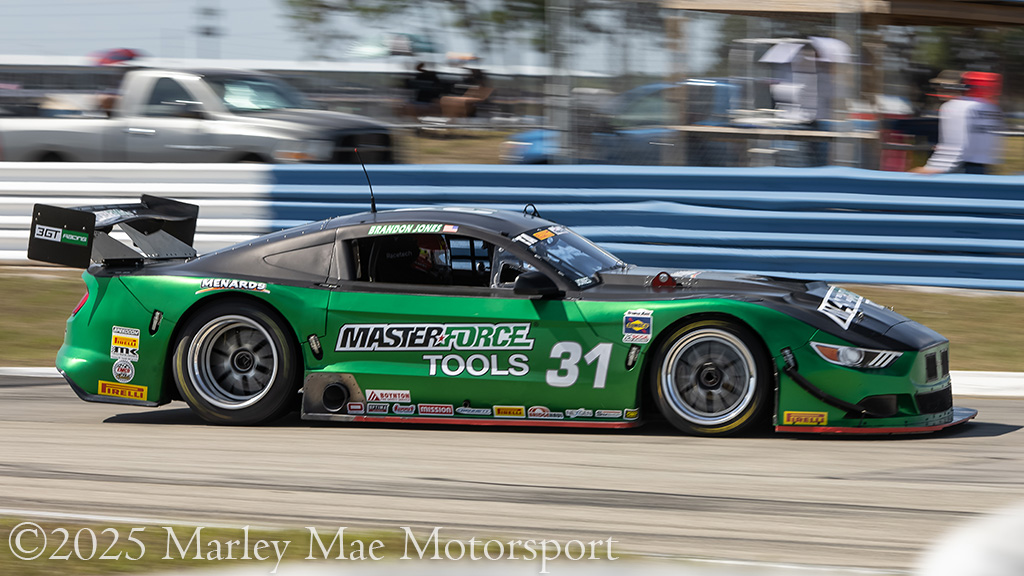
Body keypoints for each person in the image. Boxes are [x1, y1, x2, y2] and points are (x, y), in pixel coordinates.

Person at [916, 71, 1004, 174]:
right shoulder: (992, 108)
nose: (938, 90)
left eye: (942, 86)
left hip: (957, 168)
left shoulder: (954, 107)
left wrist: (931, 168)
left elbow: (955, 147)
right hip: (982, 169)